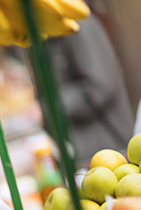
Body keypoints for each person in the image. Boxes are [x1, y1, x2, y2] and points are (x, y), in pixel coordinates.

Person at [47, 13, 134, 162]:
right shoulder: (50, 36)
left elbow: (99, 85)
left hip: (109, 144)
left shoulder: (81, 26)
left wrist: (49, 106)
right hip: (85, 151)